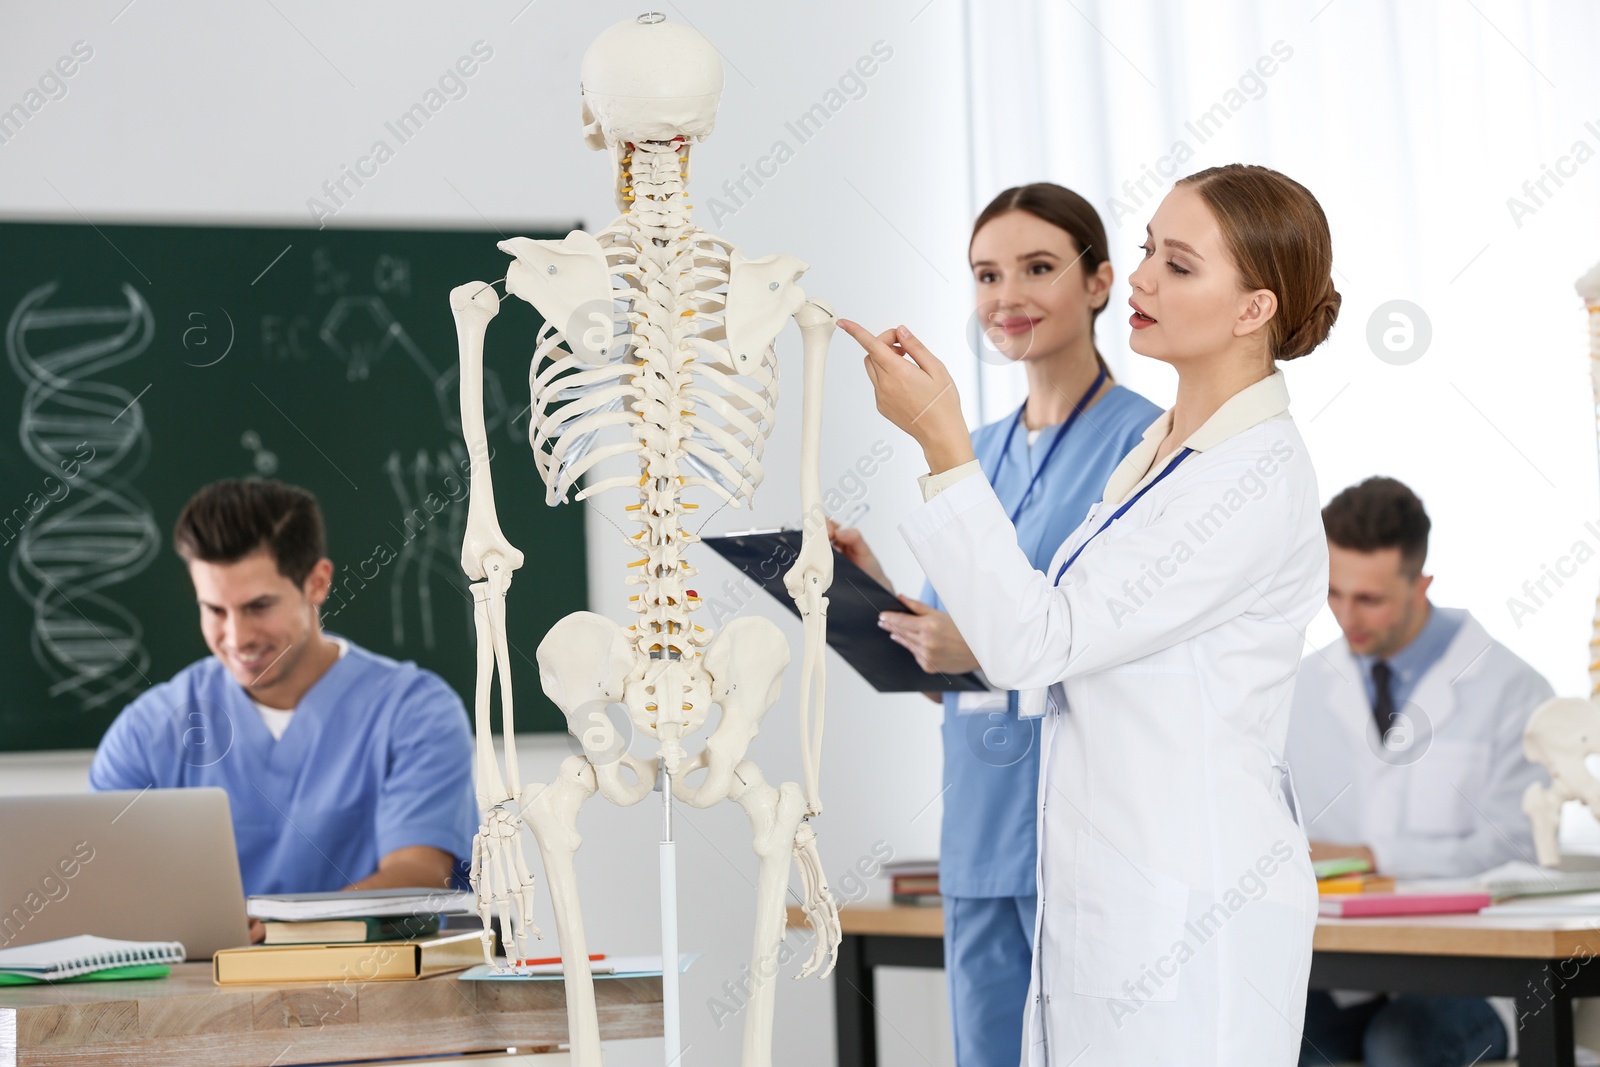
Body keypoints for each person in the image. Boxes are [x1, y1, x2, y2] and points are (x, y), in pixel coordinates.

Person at [841, 162, 1341, 1064]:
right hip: (1102, 887)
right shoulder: (1159, 457)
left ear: (1253, 309)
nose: (1141, 277)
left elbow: (1041, 639)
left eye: (1178, 265)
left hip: (1188, 908)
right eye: (1149, 248)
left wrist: (942, 442)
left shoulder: (1252, 476)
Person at [831, 183, 1161, 1067]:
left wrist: (976, 647)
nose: (1005, 295)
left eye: (1038, 268)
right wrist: (875, 592)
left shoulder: (1149, 446)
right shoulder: (968, 447)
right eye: (986, 274)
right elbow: (957, 640)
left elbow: (1133, 643)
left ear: (1098, 283)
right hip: (978, 816)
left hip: (1081, 818)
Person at [90, 479, 477, 929]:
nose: (236, 638)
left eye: (258, 606)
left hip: (376, 989)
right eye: (214, 610)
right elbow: (108, 892)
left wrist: (280, 934)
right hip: (199, 993)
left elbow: (419, 877)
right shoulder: (147, 731)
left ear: (317, 583)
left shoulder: (415, 712)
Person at [1288, 476, 1555, 1067]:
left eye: (1370, 600)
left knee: (1401, 1044)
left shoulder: (1513, 690)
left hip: (1484, 973)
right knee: (1281, 1038)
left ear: (1421, 585)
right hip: (1348, 964)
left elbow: (1521, 849)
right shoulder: (1303, 688)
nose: (1346, 616)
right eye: (1334, 593)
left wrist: (1369, 855)